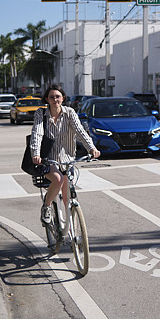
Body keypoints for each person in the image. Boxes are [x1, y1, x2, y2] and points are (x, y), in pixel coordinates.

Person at [30, 85, 100, 224]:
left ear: (63, 98)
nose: (55, 99)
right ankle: (46, 207)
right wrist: (36, 154)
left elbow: (80, 131)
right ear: (47, 99)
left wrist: (91, 148)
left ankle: (70, 228)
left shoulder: (70, 113)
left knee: (68, 196)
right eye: (51, 97)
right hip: (48, 160)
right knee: (58, 179)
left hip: (67, 160)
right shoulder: (41, 114)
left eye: (58, 96)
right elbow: (37, 134)